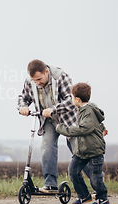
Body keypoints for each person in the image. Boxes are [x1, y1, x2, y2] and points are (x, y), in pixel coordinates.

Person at [17, 59, 77, 193]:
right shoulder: (30, 81)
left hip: (67, 119)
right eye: (34, 80)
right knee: (47, 148)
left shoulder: (61, 77)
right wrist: (23, 106)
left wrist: (54, 109)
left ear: (46, 72)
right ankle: (50, 184)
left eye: (39, 79)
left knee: (79, 151)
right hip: (48, 121)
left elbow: (71, 100)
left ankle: (96, 186)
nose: (37, 83)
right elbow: (23, 97)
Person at [56, 83, 109, 204]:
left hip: (94, 149)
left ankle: (103, 198)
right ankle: (84, 195)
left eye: (72, 97)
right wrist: (102, 127)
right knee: (73, 171)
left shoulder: (89, 111)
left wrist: (63, 129)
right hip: (82, 149)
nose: (71, 99)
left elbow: (84, 129)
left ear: (77, 99)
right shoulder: (82, 109)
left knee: (95, 177)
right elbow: (95, 123)